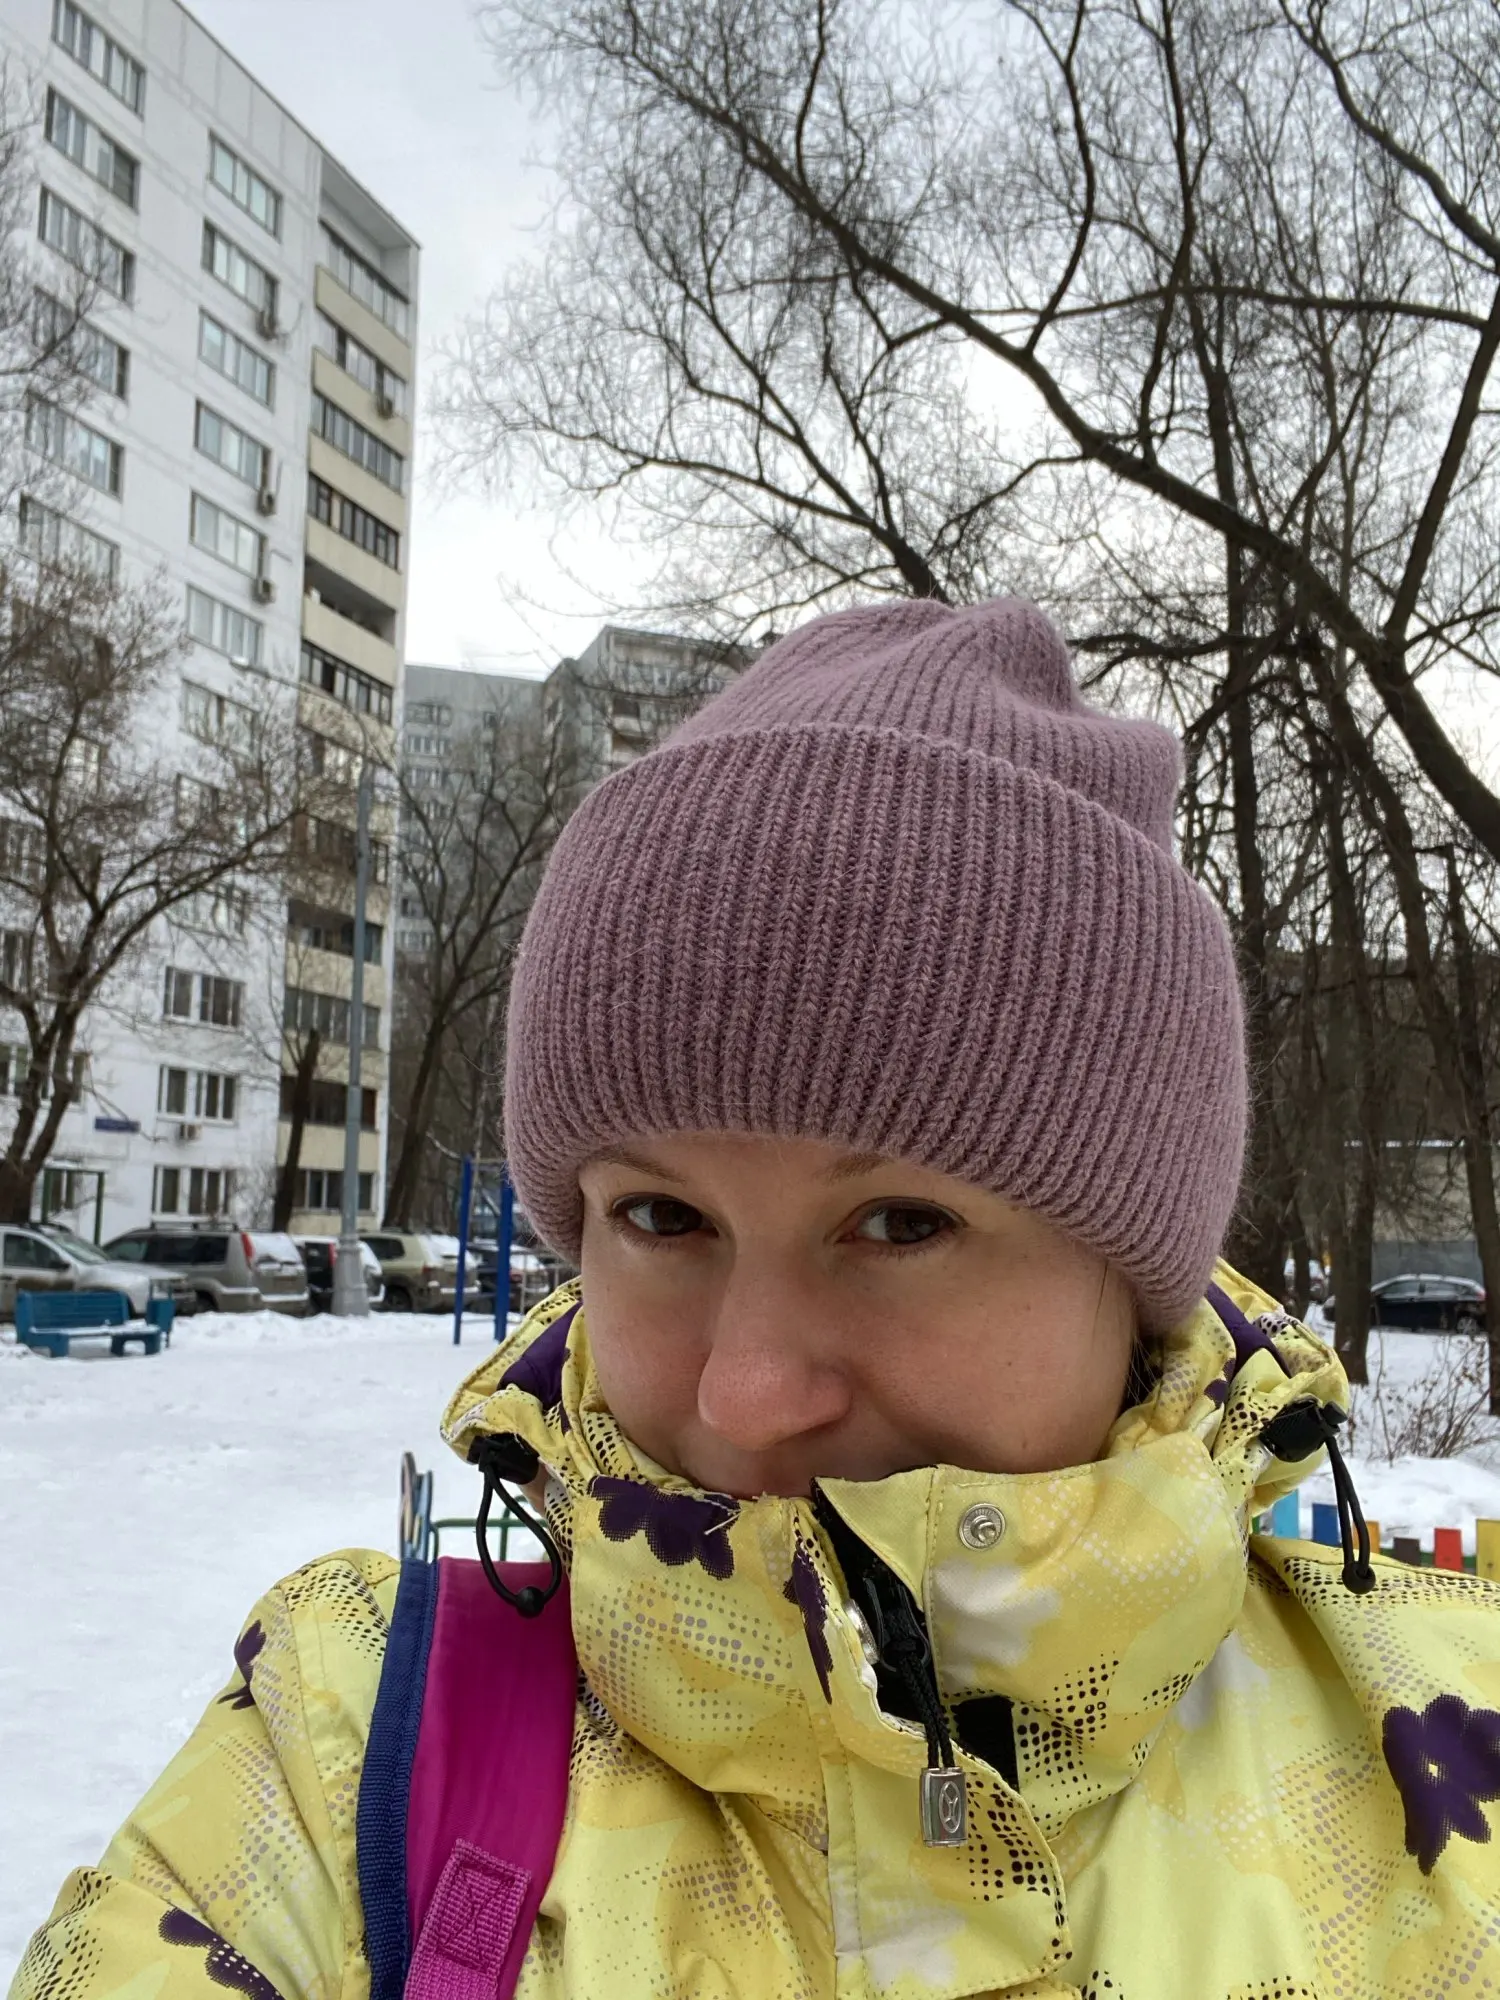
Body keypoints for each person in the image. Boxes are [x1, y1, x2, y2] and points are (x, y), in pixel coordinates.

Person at [12, 598, 1500, 2000]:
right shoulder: (345, 1754)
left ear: (1133, 1273)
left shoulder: (1457, 1750)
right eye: (662, 1217)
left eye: (902, 1223)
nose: (748, 1391)